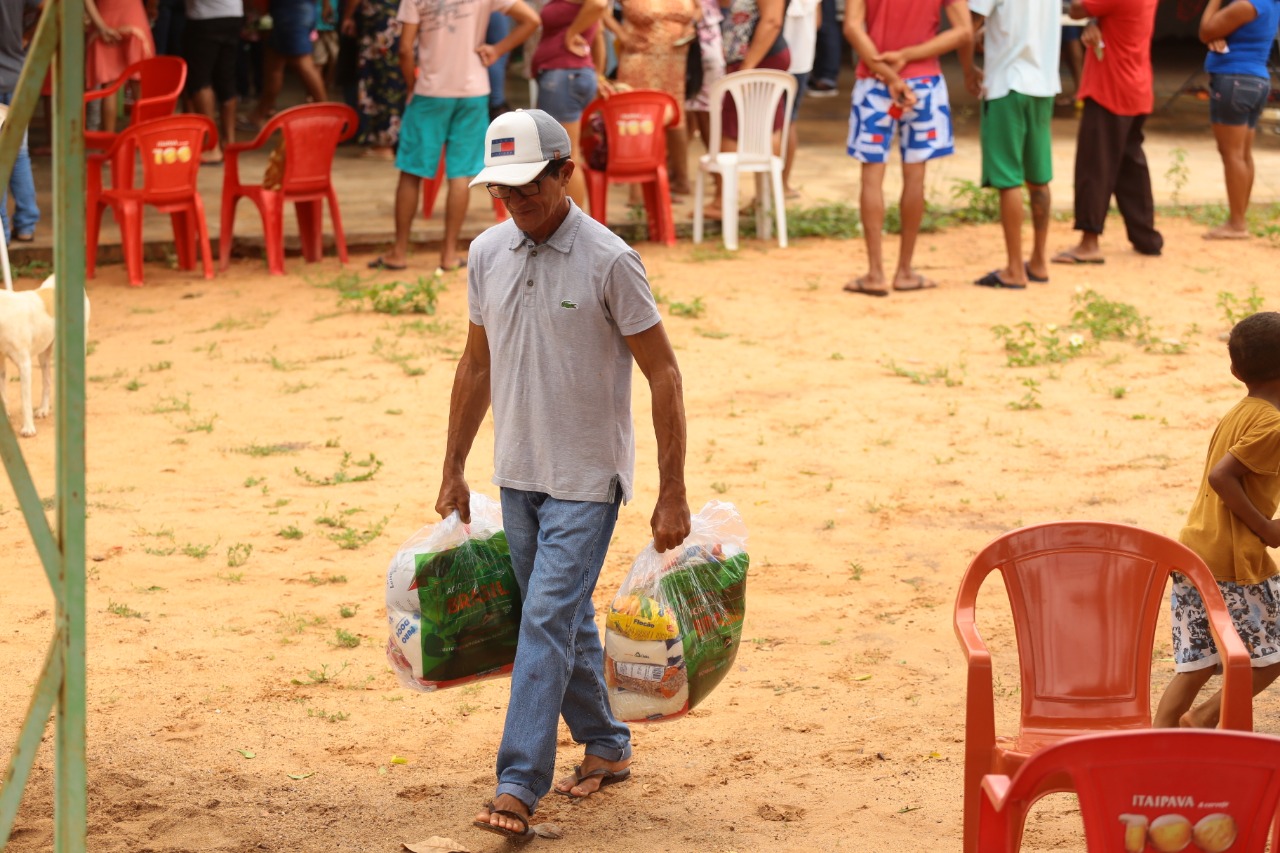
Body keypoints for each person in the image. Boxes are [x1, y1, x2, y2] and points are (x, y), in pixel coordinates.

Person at [434, 108, 690, 841]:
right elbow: (476, 363)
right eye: (504, 190)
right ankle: (606, 744)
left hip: (587, 478)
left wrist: (672, 488)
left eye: (529, 187)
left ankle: (517, 782)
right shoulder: (487, 253)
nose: (517, 202)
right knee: (564, 615)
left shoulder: (609, 259)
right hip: (517, 470)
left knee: (542, 617)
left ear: (564, 172)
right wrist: (453, 465)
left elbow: (663, 372)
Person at [1153, 311, 1280, 729]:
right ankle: (1203, 720)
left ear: (1234, 369)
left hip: (1193, 551)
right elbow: (1221, 476)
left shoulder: (1241, 412)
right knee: (1272, 655)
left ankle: (1153, 748)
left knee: (1197, 664)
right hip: (1233, 558)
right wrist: (1266, 528)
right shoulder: (1273, 423)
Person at [365, 0, 539, 272]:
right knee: (460, 176)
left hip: (429, 92)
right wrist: (497, 51)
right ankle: (448, 255)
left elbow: (403, 50)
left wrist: (412, 86)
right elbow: (531, 20)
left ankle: (399, 252)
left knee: (412, 172)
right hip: (473, 91)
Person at [841, 0, 971, 297]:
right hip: (925, 83)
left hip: (874, 82)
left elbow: (851, 26)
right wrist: (908, 56)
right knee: (916, 177)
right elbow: (963, 31)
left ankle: (875, 273)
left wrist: (888, 72)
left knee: (871, 177)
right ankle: (905, 271)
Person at [1052, 0, 1162, 266]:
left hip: (1109, 90)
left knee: (1095, 166)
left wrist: (1090, 18)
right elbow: (1097, 12)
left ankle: (1089, 242)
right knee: (1130, 165)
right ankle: (1146, 237)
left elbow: (1077, 8)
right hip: (1135, 86)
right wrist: (1094, 21)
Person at [967, 0, 1059, 290]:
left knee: (1009, 180)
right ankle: (1039, 262)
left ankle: (1014, 268)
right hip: (1043, 84)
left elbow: (967, 26)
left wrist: (968, 67)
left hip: (1007, 83)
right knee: (1039, 177)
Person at [1198, 0, 1280, 240]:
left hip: (1234, 80)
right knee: (1243, 153)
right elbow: (1216, 33)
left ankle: (1236, 223)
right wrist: (1217, 35)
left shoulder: (1245, 5)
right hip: (1255, 82)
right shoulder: (1269, 4)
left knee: (1232, 154)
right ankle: (1238, 217)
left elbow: (1205, 30)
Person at [608, 0, 699, 194]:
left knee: (676, 116)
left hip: (674, 58)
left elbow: (699, 9)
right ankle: (636, 189)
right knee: (636, 119)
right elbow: (598, 8)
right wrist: (621, 34)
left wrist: (691, 27)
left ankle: (680, 180)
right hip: (639, 56)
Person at [531, 0, 609, 209]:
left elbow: (599, 4)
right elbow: (599, 32)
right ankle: (564, 224)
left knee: (566, 157)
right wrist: (597, 74)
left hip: (564, 76)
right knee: (566, 155)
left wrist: (570, 33)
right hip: (572, 74)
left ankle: (573, 229)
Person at [245, 0, 329, 128]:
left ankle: (328, 115)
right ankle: (259, 113)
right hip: (297, 11)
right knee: (274, 63)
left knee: (302, 62)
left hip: (291, 13)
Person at [340, 0, 406, 160]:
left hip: (380, 26)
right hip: (402, 24)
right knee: (396, 80)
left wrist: (347, 16)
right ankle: (398, 141)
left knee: (382, 82)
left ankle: (385, 144)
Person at [183, 0, 244, 164]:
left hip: (205, 19)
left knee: (200, 82)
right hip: (233, 15)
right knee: (227, 79)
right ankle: (230, 144)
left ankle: (212, 146)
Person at [0, 0, 40, 244]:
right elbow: (49, 6)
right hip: (16, 75)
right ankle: (26, 224)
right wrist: (27, 33)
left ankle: (2, 231)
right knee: (19, 153)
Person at [85, 0, 157, 134]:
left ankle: (107, 144)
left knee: (109, 87)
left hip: (104, 16)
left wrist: (101, 27)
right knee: (139, 84)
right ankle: (144, 139)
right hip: (133, 17)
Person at [781, 0, 818, 199]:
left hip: (777, 57)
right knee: (789, 122)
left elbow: (771, 21)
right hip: (803, 57)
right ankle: (782, 184)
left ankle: (774, 188)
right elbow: (818, 21)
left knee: (777, 126)